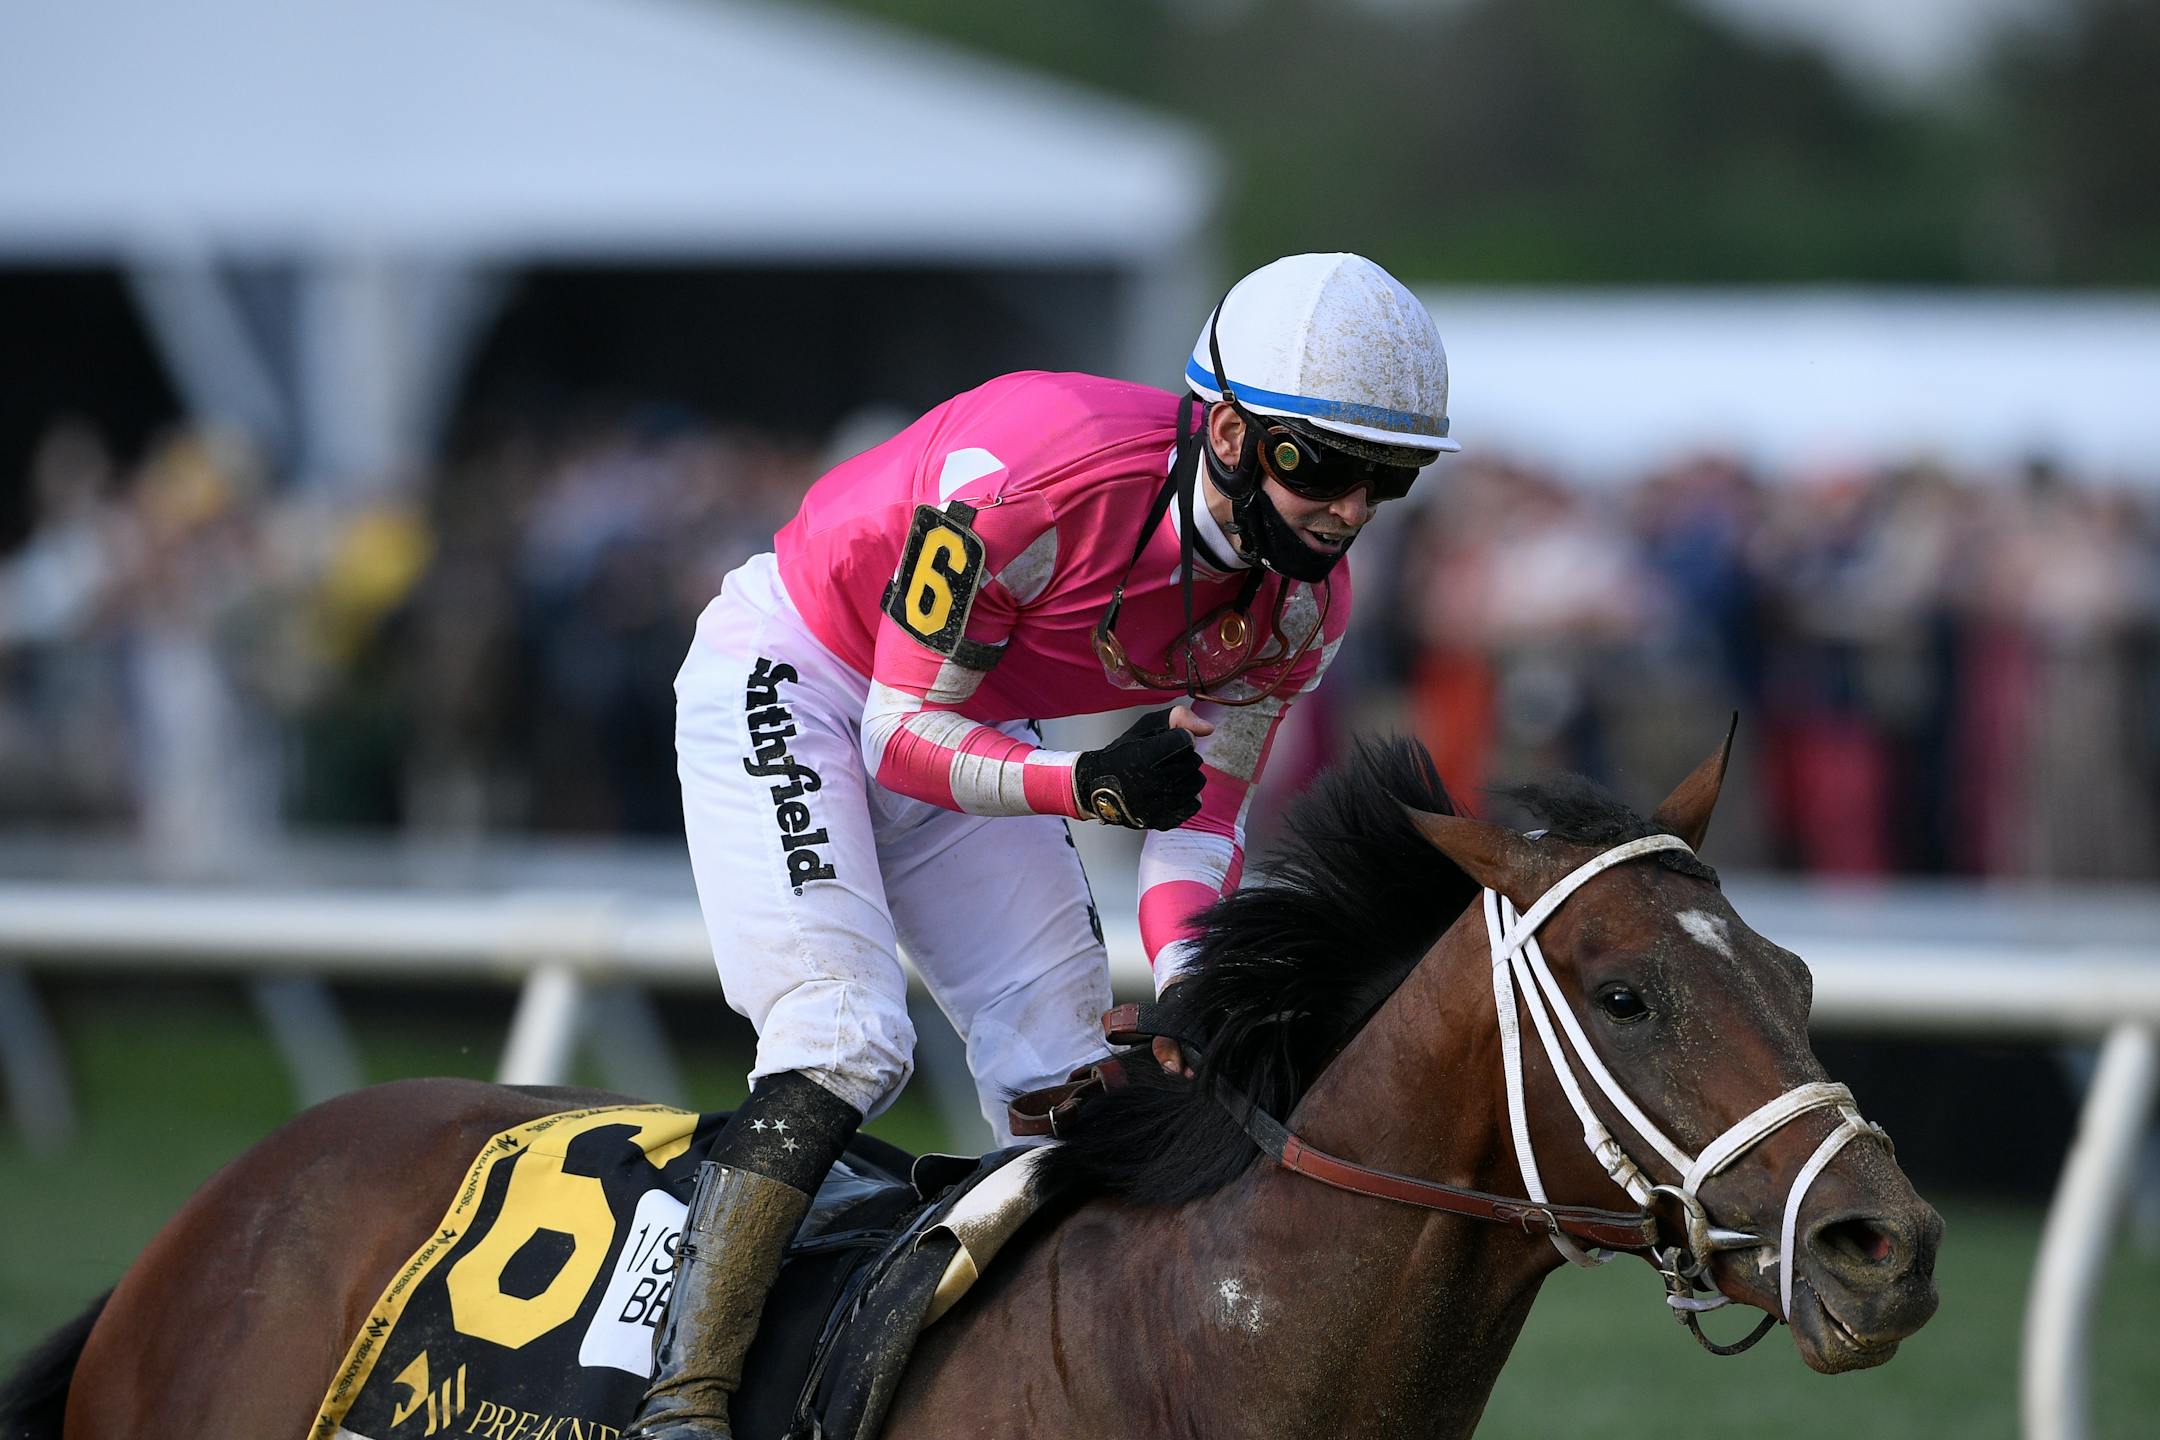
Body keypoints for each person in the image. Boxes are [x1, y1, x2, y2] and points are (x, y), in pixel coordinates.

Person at [632, 252, 1459, 1440]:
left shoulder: (1300, 610)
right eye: (1320, 466)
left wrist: (1190, 992)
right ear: (1227, 432)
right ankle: (682, 1401)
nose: (1349, 511)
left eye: (1389, 479)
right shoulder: (1034, 474)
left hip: (962, 718)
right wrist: (1087, 785)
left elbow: (1204, 823)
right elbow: (896, 735)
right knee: (842, 1033)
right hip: (802, 671)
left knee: (1069, 1068)